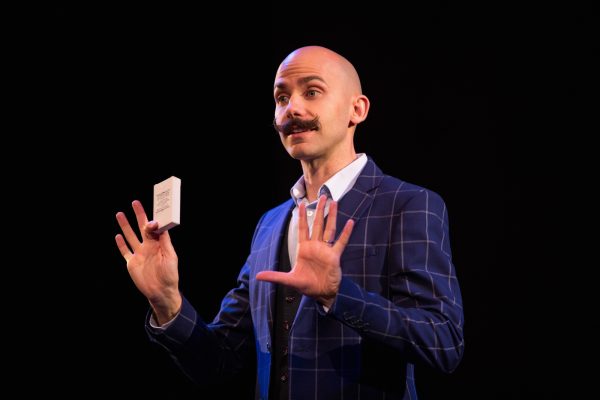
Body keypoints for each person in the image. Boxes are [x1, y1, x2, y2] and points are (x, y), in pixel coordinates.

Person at [115, 45, 464, 399]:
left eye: (311, 92)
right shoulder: (270, 225)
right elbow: (218, 362)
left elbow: (444, 343)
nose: (291, 109)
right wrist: (167, 302)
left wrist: (338, 295)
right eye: (281, 98)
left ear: (356, 109)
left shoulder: (408, 205)